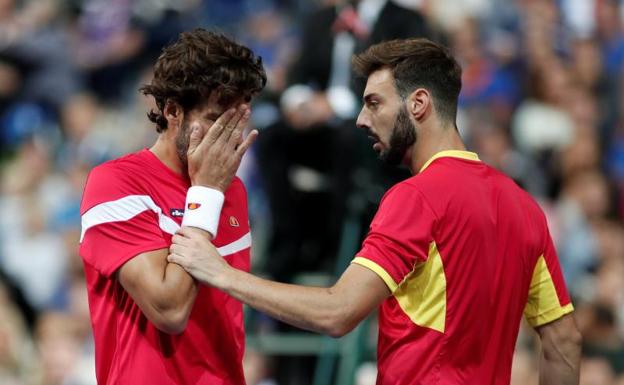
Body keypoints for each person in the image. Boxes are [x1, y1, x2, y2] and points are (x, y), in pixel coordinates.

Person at [168, 38, 582, 385]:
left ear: (418, 103)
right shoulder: (525, 208)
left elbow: (337, 311)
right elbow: (563, 341)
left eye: (373, 102)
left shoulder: (416, 197)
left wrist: (220, 272)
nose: (362, 119)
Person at [79, 29, 266, 385]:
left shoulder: (234, 190)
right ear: (172, 111)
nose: (230, 136)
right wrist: (207, 193)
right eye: (215, 119)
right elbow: (169, 309)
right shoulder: (116, 182)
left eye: (239, 120)